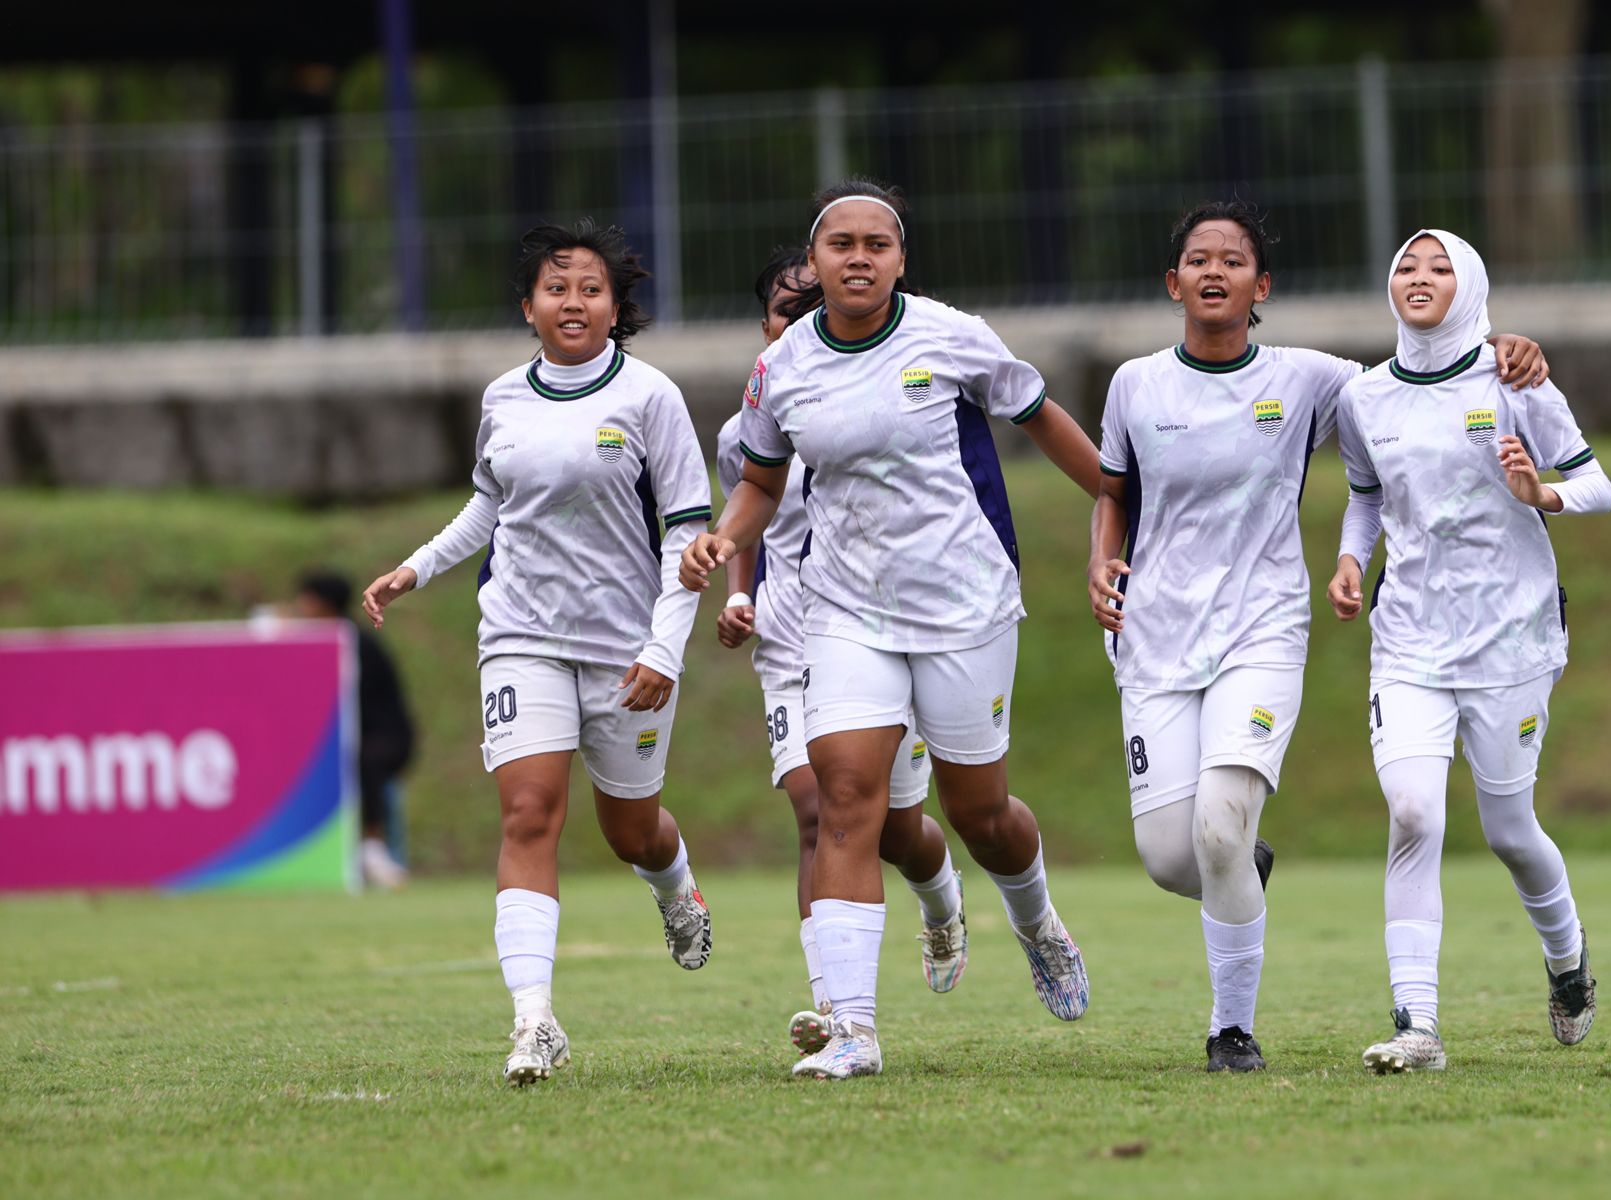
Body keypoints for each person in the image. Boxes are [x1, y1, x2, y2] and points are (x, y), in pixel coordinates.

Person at [1087, 202, 1551, 1073]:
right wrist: (1099, 563)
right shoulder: (1134, 384)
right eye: (1197, 258)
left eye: (1233, 260)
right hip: (1154, 637)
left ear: (1262, 286)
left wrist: (1507, 349)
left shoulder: (1314, 379)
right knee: (1170, 856)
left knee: (1218, 829)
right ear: (1172, 281)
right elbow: (1114, 492)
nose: (1213, 271)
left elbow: (1423, 374)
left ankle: (1232, 1031)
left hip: (1263, 628)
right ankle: (1236, 866)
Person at [680, 179, 1103, 1080]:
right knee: (845, 802)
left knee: (979, 815)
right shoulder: (783, 364)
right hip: (844, 610)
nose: (860, 256)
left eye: (878, 242)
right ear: (819, 258)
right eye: (843, 243)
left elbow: (1039, 417)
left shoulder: (950, 334)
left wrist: (1116, 512)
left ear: (901, 259)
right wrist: (726, 539)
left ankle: (1036, 923)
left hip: (964, 605)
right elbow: (759, 481)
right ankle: (853, 1032)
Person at [360, 219, 715, 1086]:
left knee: (631, 829)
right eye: (556, 288)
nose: (573, 302)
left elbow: (688, 533)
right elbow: (488, 509)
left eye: (591, 289)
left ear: (615, 308)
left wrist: (665, 649)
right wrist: (418, 566)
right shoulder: (503, 400)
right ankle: (535, 1022)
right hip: (519, 634)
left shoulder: (651, 398)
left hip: (627, 646)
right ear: (529, 307)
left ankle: (675, 888)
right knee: (528, 814)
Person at [1328, 229, 1611, 1074]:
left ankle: (1568, 963)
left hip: (1513, 635)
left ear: (1473, 283)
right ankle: (1418, 1025)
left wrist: (1543, 493)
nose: (1419, 279)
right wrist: (1351, 559)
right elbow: (1365, 497)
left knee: (1510, 828)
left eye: (1440, 267)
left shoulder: (1514, 375)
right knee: (1414, 812)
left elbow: (1599, 483)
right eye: (1406, 268)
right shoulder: (1365, 396)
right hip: (1409, 639)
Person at [712, 246, 965, 1059]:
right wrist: (738, 593)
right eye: (788, 310)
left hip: (886, 628)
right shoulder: (745, 428)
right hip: (795, 639)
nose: (802, 321)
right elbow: (752, 516)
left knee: (895, 828)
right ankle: (834, 1007)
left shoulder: (886, 401)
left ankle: (940, 896)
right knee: (815, 811)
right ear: (767, 328)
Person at [295, 570, 416, 890]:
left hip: (387, 737)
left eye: (306, 601)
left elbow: (352, 703)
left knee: (363, 759)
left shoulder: (352, 642)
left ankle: (373, 846)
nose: (300, 608)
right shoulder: (327, 640)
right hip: (359, 736)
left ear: (323, 605)